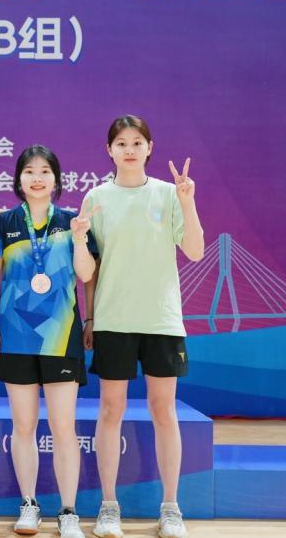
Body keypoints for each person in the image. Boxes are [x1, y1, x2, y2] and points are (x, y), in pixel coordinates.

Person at [83, 115, 204, 538]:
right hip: (114, 320)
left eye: (137, 142)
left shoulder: (170, 193)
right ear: (109, 150)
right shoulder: (96, 198)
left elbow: (195, 250)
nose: (130, 149)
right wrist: (91, 318)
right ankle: (108, 506)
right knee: (110, 409)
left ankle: (171, 508)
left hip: (161, 320)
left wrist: (187, 202)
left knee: (163, 410)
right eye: (121, 143)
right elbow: (89, 269)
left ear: (150, 148)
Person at [0, 145, 98, 538]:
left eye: (45, 171)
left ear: (56, 180)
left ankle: (68, 511)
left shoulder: (71, 222)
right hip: (14, 337)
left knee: (63, 427)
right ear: (18, 179)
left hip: (60, 338)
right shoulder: (5, 223)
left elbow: (86, 275)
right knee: (24, 425)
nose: (37, 178)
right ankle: (29, 504)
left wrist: (80, 239)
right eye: (29, 171)